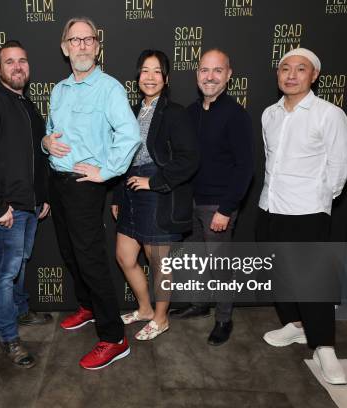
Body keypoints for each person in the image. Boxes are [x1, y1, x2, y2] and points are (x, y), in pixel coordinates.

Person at [42, 17, 140, 370]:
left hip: (85, 187)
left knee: (91, 259)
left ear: (97, 46)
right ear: (65, 47)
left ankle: (114, 338)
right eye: (75, 40)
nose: (82, 46)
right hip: (58, 182)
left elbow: (129, 135)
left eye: (88, 40)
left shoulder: (109, 88)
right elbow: (52, 131)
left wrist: (107, 171)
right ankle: (87, 307)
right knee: (69, 252)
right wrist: (45, 142)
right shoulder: (59, 90)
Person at [256, 48, 347, 385]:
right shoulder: (269, 114)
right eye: (285, 68)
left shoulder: (329, 114)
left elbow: (341, 165)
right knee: (278, 273)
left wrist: (321, 197)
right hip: (270, 207)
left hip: (307, 210)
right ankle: (295, 326)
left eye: (301, 69)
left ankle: (325, 347)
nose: (291, 74)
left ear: (314, 76)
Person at [0, 40, 52, 369]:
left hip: (29, 205)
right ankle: (8, 336)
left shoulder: (27, 105)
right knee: (5, 273)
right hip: (6, 208)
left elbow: (37, 158)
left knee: (20, 263)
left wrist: (41, 197)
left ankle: (20, 310)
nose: (18, 67)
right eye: (10, 62)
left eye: (22, 60)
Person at [111, 50, 198, 341]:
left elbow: (189, 159)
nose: (150, 77)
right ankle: (146, 309)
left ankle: (161, 319)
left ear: (166, 78)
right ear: (137, 77)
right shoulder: (131, 112)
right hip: (130, 190)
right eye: (145, 71)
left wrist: (154, 182)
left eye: (157, 71)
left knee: (159, 261)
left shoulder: (175, 112)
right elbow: (121, 157)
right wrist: (117, 197)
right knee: (125, 256)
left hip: (159, 192)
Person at [171, 49, 254, 347]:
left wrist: (226, 209)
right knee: (195, 259)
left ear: (229, 75)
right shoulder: (190, 113)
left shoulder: (236, 115)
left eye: (217, 70)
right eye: (204, 70)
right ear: (197, 75)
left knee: (220, 265)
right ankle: (199, 303)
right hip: (190, 202)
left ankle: (224, 319)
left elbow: (246, 167)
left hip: (218, 205)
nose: (210, 76)